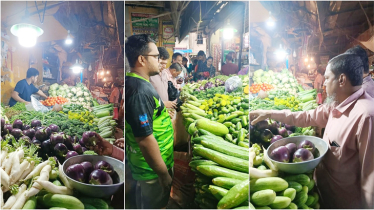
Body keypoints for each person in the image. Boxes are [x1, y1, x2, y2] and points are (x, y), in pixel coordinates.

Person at [250, 53, 374, 209]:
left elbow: (370, 178)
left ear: (341, 80)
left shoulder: (367, 116)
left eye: (327, 78)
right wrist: (270, 113)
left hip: (344, 202)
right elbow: (305, 117)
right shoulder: (335, 105)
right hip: (325, 194)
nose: (324, 84)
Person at [124, 34, 174, 209]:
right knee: (153, 204)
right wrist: (163, 174)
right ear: (142, 59)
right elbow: (145, 140)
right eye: (156, 56)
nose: (160, 60)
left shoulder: (141, 84)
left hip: (153, 166)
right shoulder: (139, 91)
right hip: (150, 171)